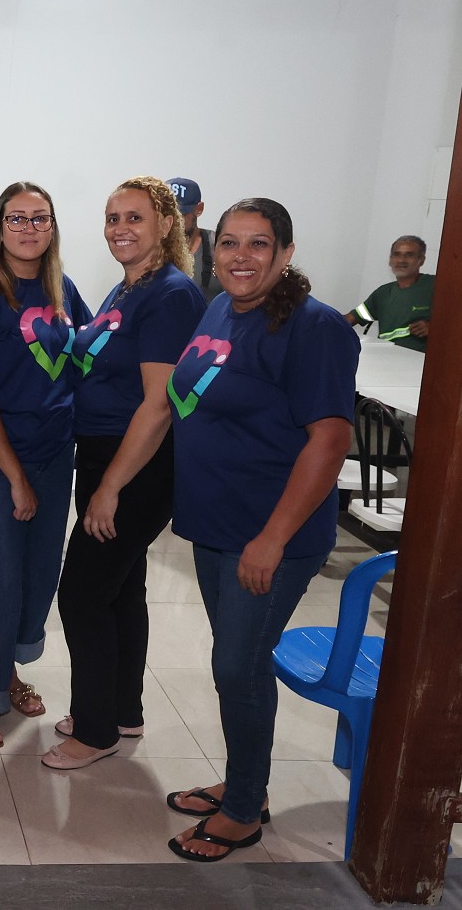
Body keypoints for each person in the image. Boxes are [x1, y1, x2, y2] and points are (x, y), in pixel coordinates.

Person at [165, 198, 358, 861]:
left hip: (269, 536)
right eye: (230, 243)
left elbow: (329, 441)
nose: (241, 256)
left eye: (258, 243)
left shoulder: (316, 327)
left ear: (286, 252)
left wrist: (272, 538)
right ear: (211, 248)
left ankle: (244, 809)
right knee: (237, 667)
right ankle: (245, 783)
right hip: (216, 526)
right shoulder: (221, 307)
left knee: (237, 666)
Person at [43, 176, 206, 770]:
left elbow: (159, 403)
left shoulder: (170, 294)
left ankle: (95, 731)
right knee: (120, 589)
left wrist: (111, 486)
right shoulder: (128, 286)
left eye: (135, 218)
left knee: (82, 593)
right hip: (104, 454)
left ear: (166, 223)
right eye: (113, 218)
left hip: (135, 463)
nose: (120, 229)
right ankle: (122, 710)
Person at [0, 182, 91, 748]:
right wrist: (15, 478)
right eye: (17, 218)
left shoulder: (63, 288)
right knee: (3, 576)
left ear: (52, 227)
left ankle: (4, 671)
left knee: (39, 573)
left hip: (54, 452)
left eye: (40, 218)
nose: (29, 228)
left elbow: (85, 356)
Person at [344, 235, 433, 352]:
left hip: (422, 360)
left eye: (409, 255)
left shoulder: (436, 286)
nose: (401, 260)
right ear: (390, 260)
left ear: (421, 260)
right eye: (397, 254)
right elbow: (350, 319)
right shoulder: (383, 293)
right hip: (385, 357)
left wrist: (435, 328)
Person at [167, 177, 223, 303]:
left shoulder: (220, 246)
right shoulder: (150, 249)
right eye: (167, 214)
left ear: (199, 209)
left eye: (180, 215)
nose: (173, 222)